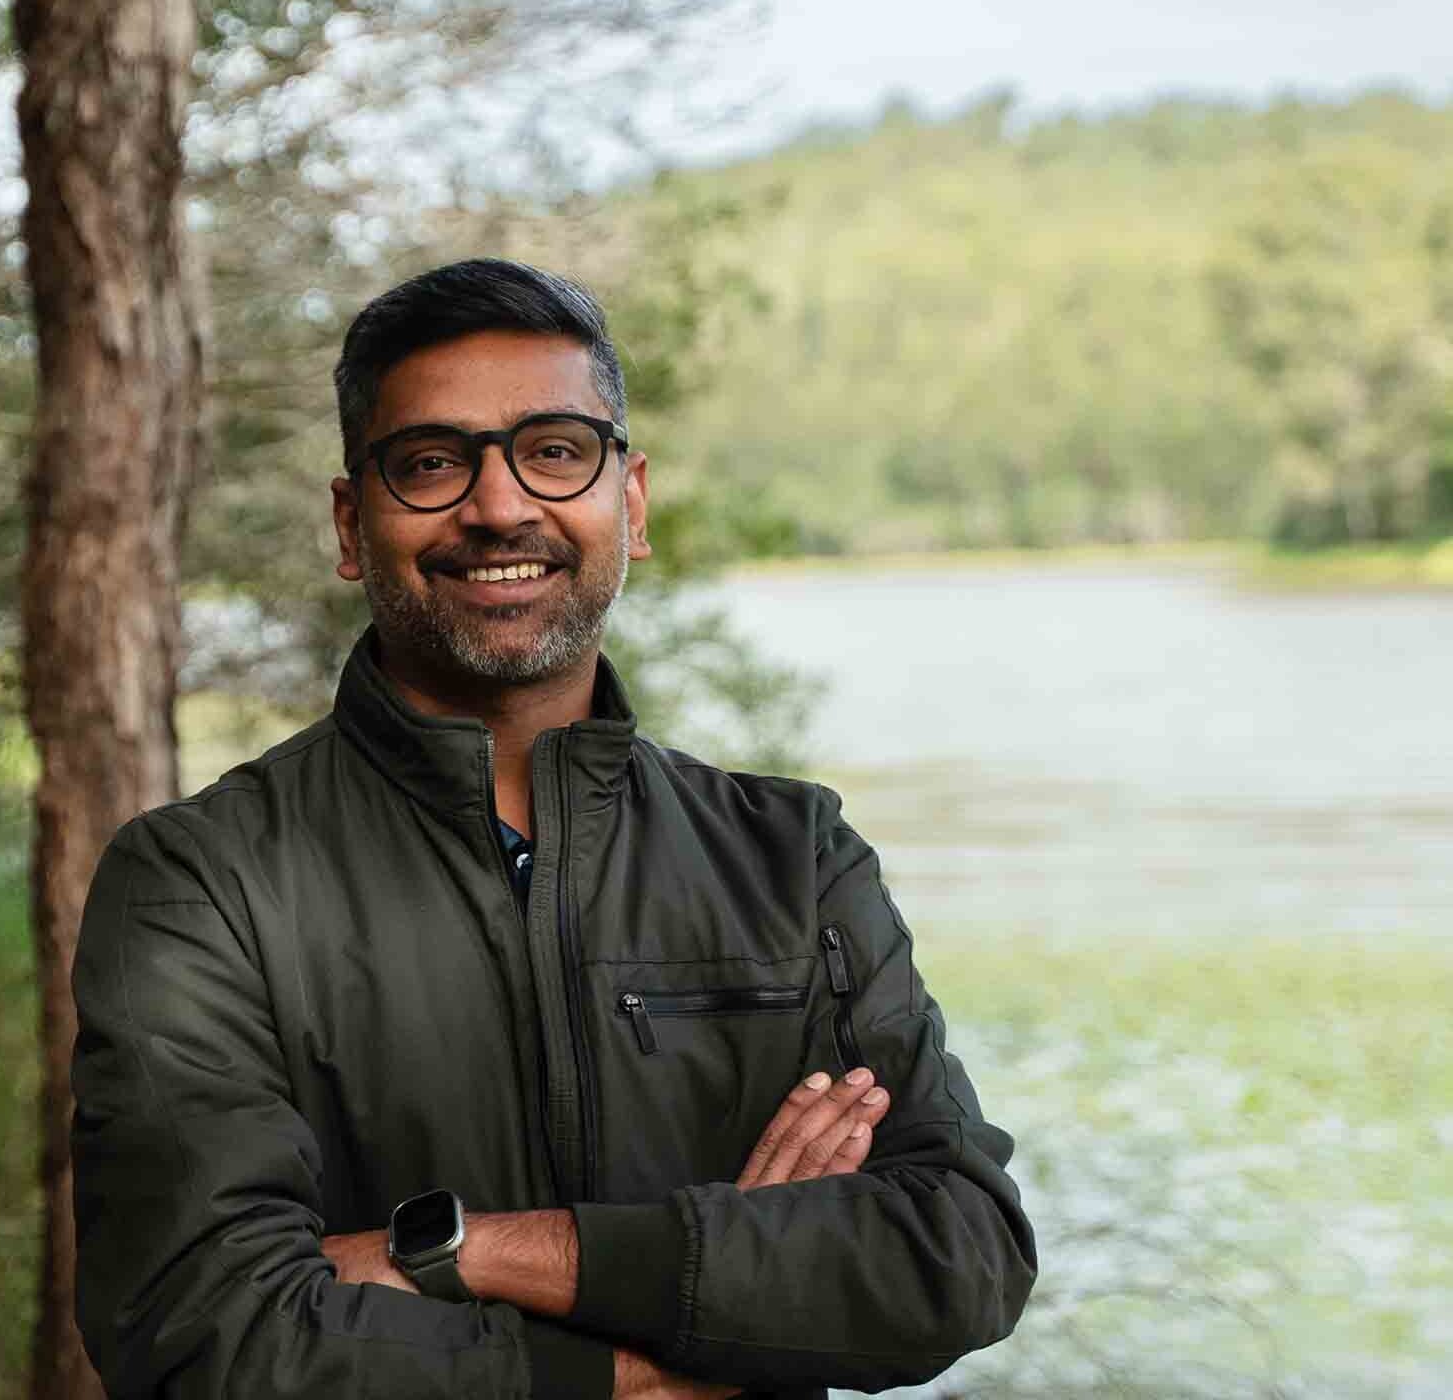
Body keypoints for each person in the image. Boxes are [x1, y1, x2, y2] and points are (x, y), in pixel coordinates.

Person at [68, 258, 1035, 1399]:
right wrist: (677, 1348)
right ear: (350, 522)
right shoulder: (202, 880)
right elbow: (203, 1335)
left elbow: (958, 1253)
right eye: (432, 462)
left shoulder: (793, 856)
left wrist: (470, 1252)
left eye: (556, 451)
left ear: (631, 501)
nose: (498, 506)